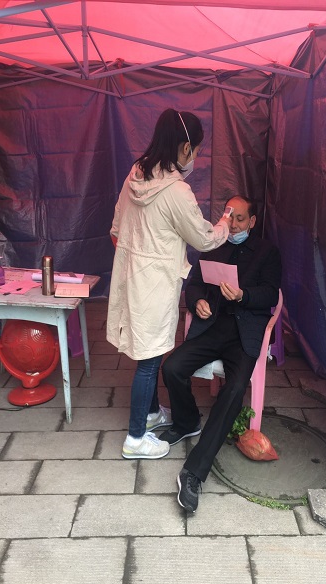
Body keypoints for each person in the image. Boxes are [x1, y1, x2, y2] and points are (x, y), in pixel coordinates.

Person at [106, 108, 231, 460]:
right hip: (155, 283)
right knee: (150, 359)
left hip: (131, 276)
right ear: (186, 148)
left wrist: (137, 256)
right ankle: (135, 439)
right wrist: (225, 223)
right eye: (197, 150)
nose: (196, 157)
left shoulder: (136, 174)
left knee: (146, 349)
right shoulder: (177, 191)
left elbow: (115, 229)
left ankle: (150, 413)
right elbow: (203, 238)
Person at [159, 195, 282, 512]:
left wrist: (243, 295)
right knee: (172, 367)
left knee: (235, 390)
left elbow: (271, 294)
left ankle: (194, 472)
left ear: (252, 221)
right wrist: (197, 301)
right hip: (212, 326)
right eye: (230, 217)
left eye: (240, 218)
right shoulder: (213, 244)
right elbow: (194, 284)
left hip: (245, 333)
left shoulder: (267, 252)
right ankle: (187, 421)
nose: (234, 224)